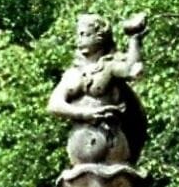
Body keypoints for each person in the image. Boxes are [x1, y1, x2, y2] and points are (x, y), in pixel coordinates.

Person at [47, 12, 149, 176]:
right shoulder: (73, 73)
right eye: (78, 35)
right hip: (79, 144)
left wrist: (134, 38)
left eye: (84, 34)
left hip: (109, 141)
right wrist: (84, 114)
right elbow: (54, 104)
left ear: (99, 37)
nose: (79, 39)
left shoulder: (109, 66)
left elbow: (132, 69)